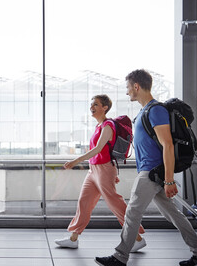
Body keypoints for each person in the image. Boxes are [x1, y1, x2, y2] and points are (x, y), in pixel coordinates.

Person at [94, 69, 197, 266]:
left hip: (152, 173)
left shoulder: (156, 110)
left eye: (128, 88)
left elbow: (167, 144)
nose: (127, 92)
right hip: (152, 172)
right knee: (173, 215)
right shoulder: (144, 111)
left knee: (132, 212)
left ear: (136, 86)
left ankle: (120, 256)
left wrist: (169, 180)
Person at [55, 94, 146, 252]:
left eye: (95, 104)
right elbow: (102, 151)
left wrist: (76, 161)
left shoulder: (108, 125)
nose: (92, 107)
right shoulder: (99, 126)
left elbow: (97, 149)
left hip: (103, 169)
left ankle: (137, 238)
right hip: (94, 170)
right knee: (84, 203)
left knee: (115, 203)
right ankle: (73, 238)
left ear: (105, 108)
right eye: (91, 104)